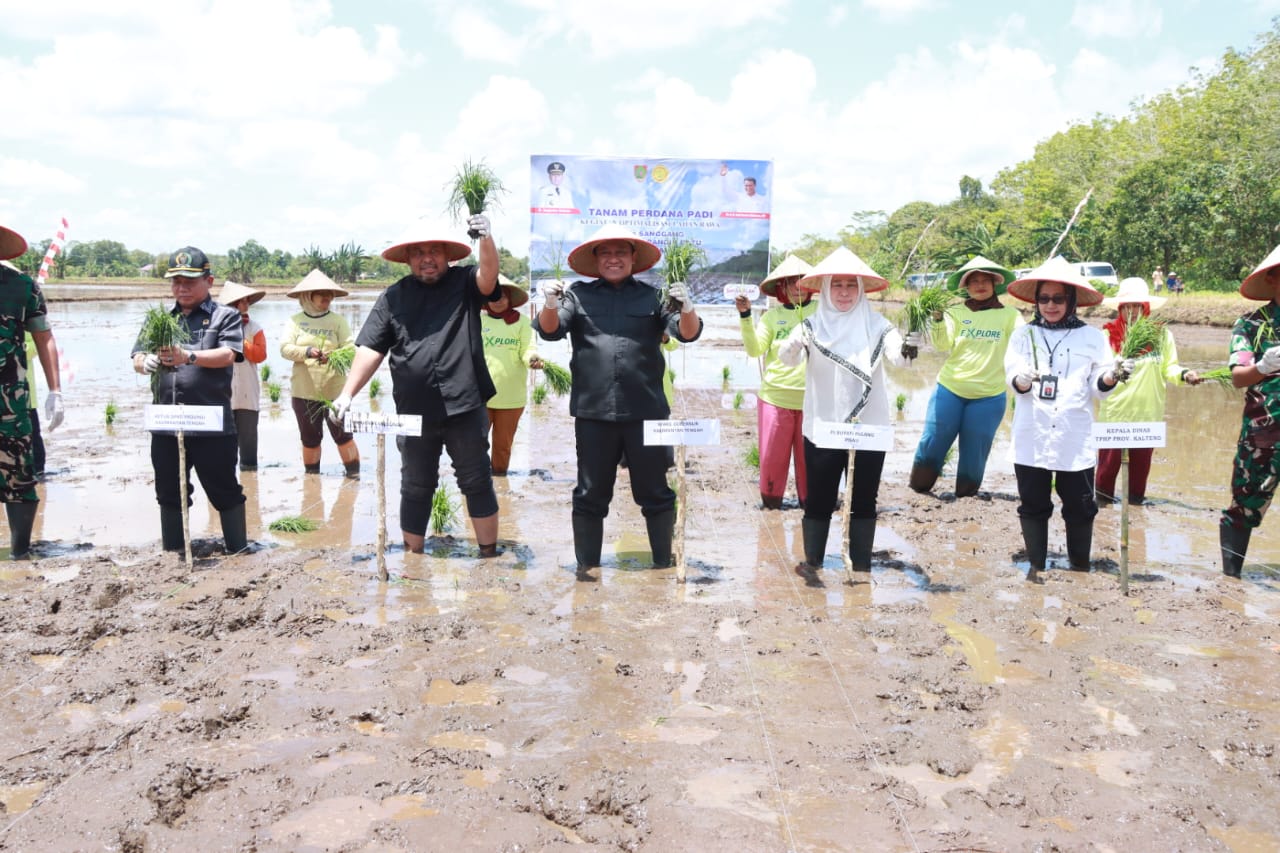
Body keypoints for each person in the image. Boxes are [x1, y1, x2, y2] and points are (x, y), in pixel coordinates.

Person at [534, 223, 703, 575]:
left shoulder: (653, 297)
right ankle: (588, 568)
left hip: (647, 413)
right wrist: (549, 303)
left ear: (633, 258)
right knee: (590, 494)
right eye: (606, 253)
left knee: (656, 492)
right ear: (596, 260)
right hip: (593, 413)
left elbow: (686, 334)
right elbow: (550, 331)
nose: (613, 259)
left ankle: (662, 564)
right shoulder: (577, 296)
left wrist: (687, 308)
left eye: (620, 252)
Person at [330, 214, 502, 557]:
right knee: (415, 485)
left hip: (464, 406)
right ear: (407, 259)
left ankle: (488, 555)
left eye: (434, 250)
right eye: (419, 252)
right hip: (413, 412)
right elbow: (371, 348)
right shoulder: (393, 297)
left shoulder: (465, 282)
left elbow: (488, 277)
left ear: (447, 255)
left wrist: (486, 238)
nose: (427, 258)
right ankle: (413, 556)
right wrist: (347, 394)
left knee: (476, 480)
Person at [777, 247, 919, 578]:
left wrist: (911, 347)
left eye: (850, 285)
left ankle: (861, 567)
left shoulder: (878, 324)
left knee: (863, 500)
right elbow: (787, 359)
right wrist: (790, 347)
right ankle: (812, 563)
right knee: (819, 498)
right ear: (825, 289)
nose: (843, 292)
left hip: (868, 428)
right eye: (837, 285)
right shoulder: (810, 324)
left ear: (861, 289)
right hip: (824, 427)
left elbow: (900, 358)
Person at [1003, 257, 1130, 582]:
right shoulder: (1022, 336)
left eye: (1059, 299)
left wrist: (1113, 376)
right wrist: (1023, 380)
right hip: (1032, 435)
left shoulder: (1092, 338)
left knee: (1080, 505)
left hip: (1075, 436)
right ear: (1035, 301)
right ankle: (1037, 565)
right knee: (1033, 503)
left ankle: (1079, 567)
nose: (1050, 305)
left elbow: (1098, 386)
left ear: (1072, 300)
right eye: (1044, 299)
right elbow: (1012, 378)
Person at [131, 246, 246, 554]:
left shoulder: (226, 316)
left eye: (189, 281)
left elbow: (229, 354)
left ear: (209, 281)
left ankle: (238, 550)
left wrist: (189, 356)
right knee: (169, 492)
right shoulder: (159, 319)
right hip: (166, 425)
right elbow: (137, 356)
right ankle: (173, 552)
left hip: (210, 425)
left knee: (224, 490)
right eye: (176, 281)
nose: (181, 287)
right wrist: (146, 362)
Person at [909, 255, 1022, 498]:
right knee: (933, 441)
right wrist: (938, 320)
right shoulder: (955, 312)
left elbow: (1023, 342)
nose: (980, 285)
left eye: (985, 280)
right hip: (950, 390)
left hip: (989, 396)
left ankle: (966, 495)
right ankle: (918, 489)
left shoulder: (1010, 315)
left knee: (975, 450)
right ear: (965, 287)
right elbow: (942, 344)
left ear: (994, 284)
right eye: (974, 281)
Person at [1096, 277, 1202, 505]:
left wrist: (1184, 375)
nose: (1133, 311)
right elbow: (1099, 375)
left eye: (1138, 306)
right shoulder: (1106, 336)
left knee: (1139, 475)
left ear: (1145, 308)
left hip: (1148, 416)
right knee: (1106, 472)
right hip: (1114, 417)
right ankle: (1102, 512)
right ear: (1120, 308)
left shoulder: (1161, 335)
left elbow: (1170, 368)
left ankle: (1135, 510)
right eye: (1127, 306)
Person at [734, 253, 815, 509]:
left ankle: (810, 505)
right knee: (772, 458)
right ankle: (771, 503)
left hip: (813, 401)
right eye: (791, 282)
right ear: (782, 288)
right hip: (775, 398)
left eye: (803, 281)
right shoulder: (771, 317)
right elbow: (755, 349)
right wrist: (746, 317)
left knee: (810, 461)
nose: (798, 288)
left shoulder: (822, 313)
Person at [0, 232, 63, 558]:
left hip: (10, 403)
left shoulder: (21, 286)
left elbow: (44, 337)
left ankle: (19, 553)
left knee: (20, 479)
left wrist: (56, 390)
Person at [1220, 244, 1280, 578]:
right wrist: (1263, 366)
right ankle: (1230, 581)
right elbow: (1238, 376)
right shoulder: (1252, 325)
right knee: (1244, 506)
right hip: (1263, 437)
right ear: (1272, 279)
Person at [281, 269, 359, 477]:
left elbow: (351, 349)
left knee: (343, 436)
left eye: (330, 293)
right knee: (310, 439)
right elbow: (285, 349)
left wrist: (332, 356)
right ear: (308, 296)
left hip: (335, 393)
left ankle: (353, 476)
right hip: (304, 393)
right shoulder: (295, 321)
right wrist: (306, 352)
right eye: (321, 293)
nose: (327, 297)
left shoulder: (338, 321)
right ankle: (312, 480)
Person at [481, 274, 541, 475]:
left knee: (503, 446)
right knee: (475, 444)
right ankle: (477, 483)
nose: (498, 301)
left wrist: (532, 359)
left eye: (502, 296)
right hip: (480, 397)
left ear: (510, 298)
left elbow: (528, 348)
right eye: (493, 296)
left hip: (511, 398)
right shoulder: (476, 321)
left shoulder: (522, 322)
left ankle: (499, 479)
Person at [218, 281, 268, 472]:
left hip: (248, 389)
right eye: (242, 301)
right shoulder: (218, 328)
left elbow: (260, 355)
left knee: (248, 441)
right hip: (223, 391)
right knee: (221, 442)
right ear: (232, 304)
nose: (246, 304)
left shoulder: (255, 328)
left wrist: (240, 341)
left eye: (247, 301)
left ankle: (249, 476)